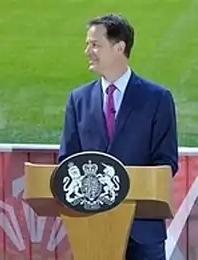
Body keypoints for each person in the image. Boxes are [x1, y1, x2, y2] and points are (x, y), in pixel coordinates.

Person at [58, 13, 178, 260]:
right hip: (92, 227)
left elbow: (166, 162)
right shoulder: (78, 100)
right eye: (88, 44)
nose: (87, 51)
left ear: (119, 47)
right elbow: (67, 160)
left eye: (95, 45)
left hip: (143, 231)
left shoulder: (157, 99)